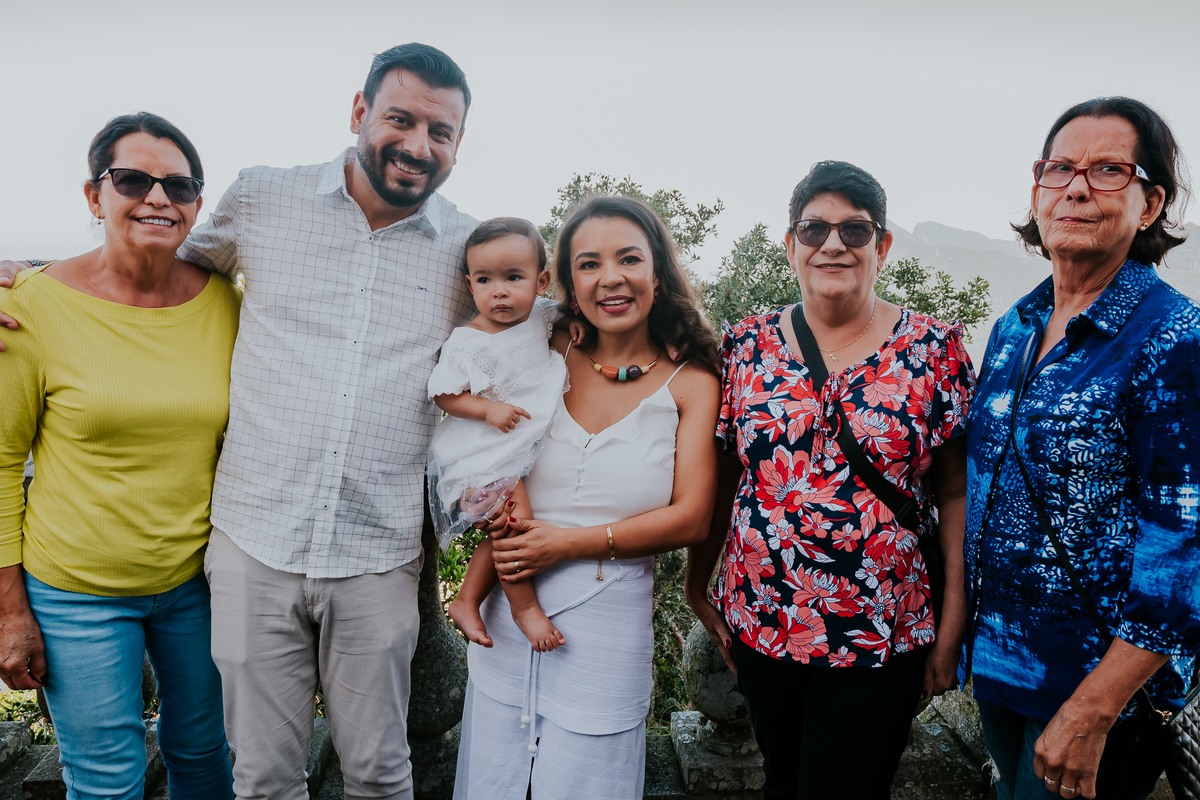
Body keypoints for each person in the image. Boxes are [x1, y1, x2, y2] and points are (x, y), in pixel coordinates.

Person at [0, 43, 476, 800]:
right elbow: (140, 258)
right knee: (255, 780)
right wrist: (27, 276)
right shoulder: (262, 199)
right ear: (359, 111)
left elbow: (545, 328)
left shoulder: (468, 250)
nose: (418, 145)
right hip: (250, 547)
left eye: (440, 131)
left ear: (458, 142)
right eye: (400, 119)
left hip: (376, 554)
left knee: (378, 776)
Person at [685, 160, 977, 799]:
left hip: (883, 625)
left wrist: (952, 623)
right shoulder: (746, 347)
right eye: (814, 229)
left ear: (882, 245)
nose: (833, 244)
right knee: (781, 781)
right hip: (764, 616)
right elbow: (726, 475)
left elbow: (956, 493)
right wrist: (695, 585)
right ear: (791, 244)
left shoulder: (933, 349)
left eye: (855, 230)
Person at [963, 97, 1200, 800]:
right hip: (1000, 670)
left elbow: (1184, 546)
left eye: (1107, 170)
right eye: (1059, 168)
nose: (1075, 187)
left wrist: (1095, 707)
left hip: (1096, 697)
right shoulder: (1016, 326)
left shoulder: (1173, 338)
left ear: (1150, 203)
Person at [0, 113, 237, 799]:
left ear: (197, 203)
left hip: (199, 584)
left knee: (207, 760)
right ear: (93, 195)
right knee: (106, 782)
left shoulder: (226, 304)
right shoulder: (30, 307)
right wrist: (9, 611)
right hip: (76, 592)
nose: (158, 197)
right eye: (132, 179)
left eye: (179, 185)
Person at [452, 196, 721, 799]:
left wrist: (565, 545)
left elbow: (693, 518)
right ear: (569, 284)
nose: (610, 278)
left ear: (657, 272)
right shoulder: (543, 351)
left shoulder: (694, 383)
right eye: (589, 264)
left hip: (604, 636)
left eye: (629, 259)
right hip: (504, 623)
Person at [431, 216, 581, 652]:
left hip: (521, 443)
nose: (499, 291)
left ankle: (466, 599)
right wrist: (487, 409)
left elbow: (570, 317)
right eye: (485, 279)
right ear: (469, 285)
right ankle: (525, 609)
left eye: (513, 277)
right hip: (484, 450)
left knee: (507, 528)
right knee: (517, 525)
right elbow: (445, 394)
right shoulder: (467, 340)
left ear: (541, 281)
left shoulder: (539, 315)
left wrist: (576, 326)